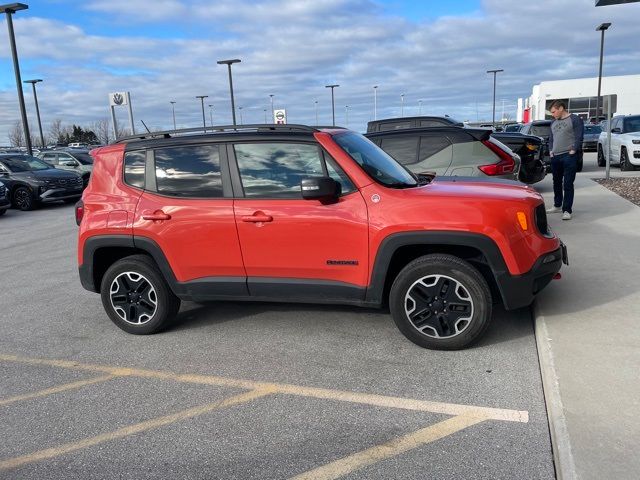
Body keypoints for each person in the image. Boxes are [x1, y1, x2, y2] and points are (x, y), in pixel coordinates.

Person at [546, 100, 584, 220]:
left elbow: (579, 136)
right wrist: (551, 150)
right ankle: (557, 205)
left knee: (567, 183)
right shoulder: (553, 122)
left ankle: (567, 210)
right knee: (556, 182)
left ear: (561, 108)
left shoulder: (575, 119)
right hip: (555, 156)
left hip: (569, 156)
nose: (552, 114)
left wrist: (573, 150)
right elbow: (551, 139)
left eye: (554, 111)